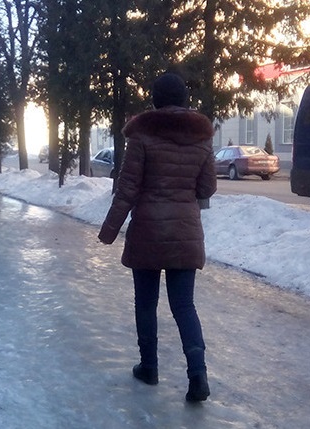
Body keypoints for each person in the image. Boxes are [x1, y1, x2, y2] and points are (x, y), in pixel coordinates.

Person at [98, 72, 217, 403]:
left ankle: (149, 367)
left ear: (155, 100)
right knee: (184, 305)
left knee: (146, 303)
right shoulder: (201, 138)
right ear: (184, 100)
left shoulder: (142, 135)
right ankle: (198, 375)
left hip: (148, 231)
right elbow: (207, 188)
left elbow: (127, 189)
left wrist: (109, 230)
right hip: (185, 233)